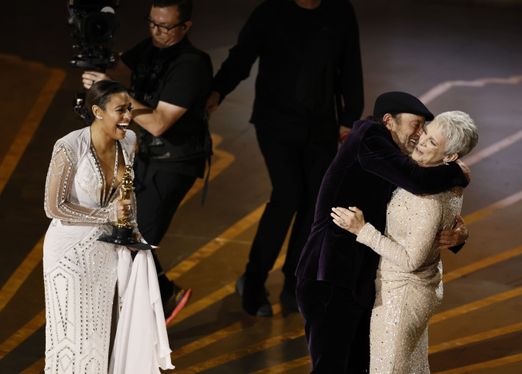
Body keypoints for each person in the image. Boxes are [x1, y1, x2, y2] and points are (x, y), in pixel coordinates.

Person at [206, 0, 364, 317]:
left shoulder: (340, 11)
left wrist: (350, 118)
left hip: (321, 125)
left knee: (314, 204)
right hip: (275, 124)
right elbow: (242, 57)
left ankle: (295, 284)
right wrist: (216, 92)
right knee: (287, 195)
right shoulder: (270, 12)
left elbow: (350, 65)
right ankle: (252, 281)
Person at [295, 92, 470, 373]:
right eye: (416, 125)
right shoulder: (369, 140)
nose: (420, 134)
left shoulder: (392, 152)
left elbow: (422, 206)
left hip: (361, 281)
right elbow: (419, 181)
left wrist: (460, 234)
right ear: (389, 121)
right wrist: (458, 173)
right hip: (330, 279)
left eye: (424, 127)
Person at [82, 0, 213, 324]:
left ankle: (157, 305)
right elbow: (121, 70)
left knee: (135, 237)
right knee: (125, 231)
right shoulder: (153, 46)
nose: (158, 32)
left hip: (174, 163)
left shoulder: (191, 64)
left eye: (166, 27)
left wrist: (115, 95)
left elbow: (158, 122)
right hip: (147, 156)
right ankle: (159, 299)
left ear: (185, 27)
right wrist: (101, 67)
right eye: (152, 23)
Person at [43, 80, 173, 373]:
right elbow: (54, 207)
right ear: (97, 112)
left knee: (99, 337)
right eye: (121, 110)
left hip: (105, 253)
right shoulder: (69, 146)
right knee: (72, 338)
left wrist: (134, 231)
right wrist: (108, 215)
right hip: (69, 255)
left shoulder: (128, 141)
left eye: (129, 108)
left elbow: (127, 195)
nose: (128, 116)